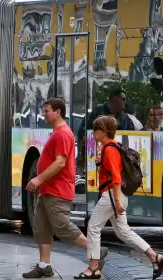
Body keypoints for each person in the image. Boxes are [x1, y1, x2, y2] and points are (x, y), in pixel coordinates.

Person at [23, 98, 107, 279]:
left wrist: (38, 179)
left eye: (47, 111)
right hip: (48, 190)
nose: (44, 114)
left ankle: (96, 250)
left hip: (57, 190)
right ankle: (44, 265)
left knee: (62, 228)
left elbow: (60, 163)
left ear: (58, 112)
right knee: (41, 227)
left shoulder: (62, 134)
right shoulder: (57, 133)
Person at [79, 116, 163, 280]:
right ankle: (155, 257)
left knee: (93, 227)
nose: (93, 133)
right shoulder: (111, 147)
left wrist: (118, 201)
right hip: (116, 197)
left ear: (103, 132)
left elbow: (116, 177)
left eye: (95, 129)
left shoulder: (110, 149)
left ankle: (93, 269)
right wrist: (100, 162)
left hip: (112, 196)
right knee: (123, 232)